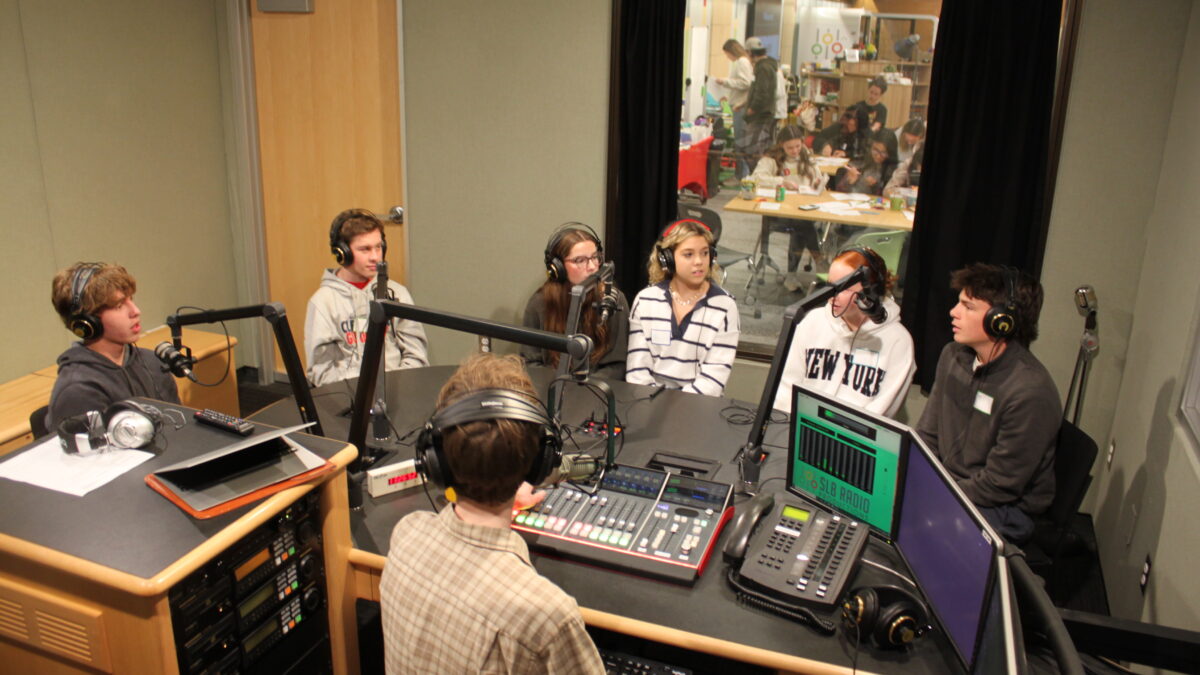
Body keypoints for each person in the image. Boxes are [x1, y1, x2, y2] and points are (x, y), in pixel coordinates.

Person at [379, 353, 604, 674]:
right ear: (539, 463)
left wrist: (497, 486)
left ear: (436, 460)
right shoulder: (547, 616)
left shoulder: (406, 535)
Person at [915, 263, 1060, 545]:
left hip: (1004, 508)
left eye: (968, 307)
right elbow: (928, 435)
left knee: (920, 532)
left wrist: (933, 497)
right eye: (959, 302)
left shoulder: (1030, 391)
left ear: (1001, 320)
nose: (954, 312)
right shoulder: (952, 356)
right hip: (953, 486)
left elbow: (999, 485)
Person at [773, 247, 914, 416]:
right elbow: (786, 387)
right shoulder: (812, 322)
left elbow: (882, 411)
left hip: (856, 440)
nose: (833, 295)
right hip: (799, 428)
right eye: (831, 285)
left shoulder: (898, 341)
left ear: (870, 292)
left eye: (844, 288)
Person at [47, 262, 181, 428]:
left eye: (131, 300)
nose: (135, 311)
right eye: (119, 306)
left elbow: (179, 427)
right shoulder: (78, 391)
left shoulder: (153, 363)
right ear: (88, 323)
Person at [305, 209, 428, 387]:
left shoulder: (397, 293)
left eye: (378, 247)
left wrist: (395, 387)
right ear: (342, 253)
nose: (375, 257)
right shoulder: (323, 302)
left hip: (398, 389)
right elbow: (321, 372)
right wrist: (362, 390)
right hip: (348, 395)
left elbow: (417, 356)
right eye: (365, 249)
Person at [626, 220, 739, 396]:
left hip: (698, 406)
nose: (699, 262)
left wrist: (675, 409)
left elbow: (713, 381)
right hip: (648, 403)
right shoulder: (645, 301)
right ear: (667, 259)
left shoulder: (725, 307)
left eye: (704, 253)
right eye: (688, 254)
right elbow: (637, 372)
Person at [522, 223, 628, 378]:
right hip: (552, 391)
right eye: (580, 260)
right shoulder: (539, 303)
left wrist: (581, 390)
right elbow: (531, 363)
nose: (592, 266)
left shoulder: (612, 299)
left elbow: (617, 365)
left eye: (595, 257)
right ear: (558, 268)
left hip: (596, 392)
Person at [752, 125, 828, 291]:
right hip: (777, 211)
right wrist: (780, 182)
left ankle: (792, 276)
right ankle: (820, 262)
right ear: (781, 145)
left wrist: (816, 181)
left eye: (798, 146)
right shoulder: (771, 158)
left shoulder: (805, 155)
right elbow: (757, 178)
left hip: (802, 208)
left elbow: (817, 175)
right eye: (790, 147)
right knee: (802, 225)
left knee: (801, 224)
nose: (795, 151)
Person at [713, 39, 754, 179]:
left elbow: (745, 83)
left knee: (740, 142)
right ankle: (741, 175)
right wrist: (727, 95)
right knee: (740, 141)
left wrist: (725, 81)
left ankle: (743, 176)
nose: (727, 58)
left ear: (731, 51)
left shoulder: (742, 62)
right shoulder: (742, 62)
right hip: (736, 104)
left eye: (727, 54)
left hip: (740, 107)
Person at [741, 36, 779, 169]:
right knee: (761, 150)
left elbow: (762, 92)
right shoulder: (767, 66)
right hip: (765, 115)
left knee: (753, 151)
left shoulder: (763, 68)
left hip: (760, 116)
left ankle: (757, 179)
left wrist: (752, 108)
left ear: (750, 52)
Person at [834, 130, 898, 196]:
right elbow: (839, 191)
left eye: (883, 152)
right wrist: (849, 182)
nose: (878, 155)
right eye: (875, 150)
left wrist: (874, 187)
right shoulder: (864, 162)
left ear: (890, 153)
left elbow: (887, 196)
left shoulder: (893, 172)